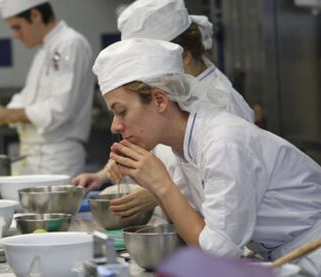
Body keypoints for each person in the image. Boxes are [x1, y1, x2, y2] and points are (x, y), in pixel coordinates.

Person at [92, 38, 321, 276]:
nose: (115, 126)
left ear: (160, 100)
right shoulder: (182, 147)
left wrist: (162, 185)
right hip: (282, 256)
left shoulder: (223, 142)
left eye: (121, 112)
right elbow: (193, 227)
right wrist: (152, 182)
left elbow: (218, 252)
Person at [71, 0, 253, 217]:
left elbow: (226, 192)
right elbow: (158, 145)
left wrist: (157, 193)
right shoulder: (174, 96)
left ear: (183, 54)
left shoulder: (223, 105)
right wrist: (106, 173)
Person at [0, 0, 93, 177]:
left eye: (17, 27)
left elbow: (60, 109)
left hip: (57, 159)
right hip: (32, 156)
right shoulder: (45, 49)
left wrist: (6, 115)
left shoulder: (70, 44)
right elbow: (27, 97)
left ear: (35, 15)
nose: (16, 35)